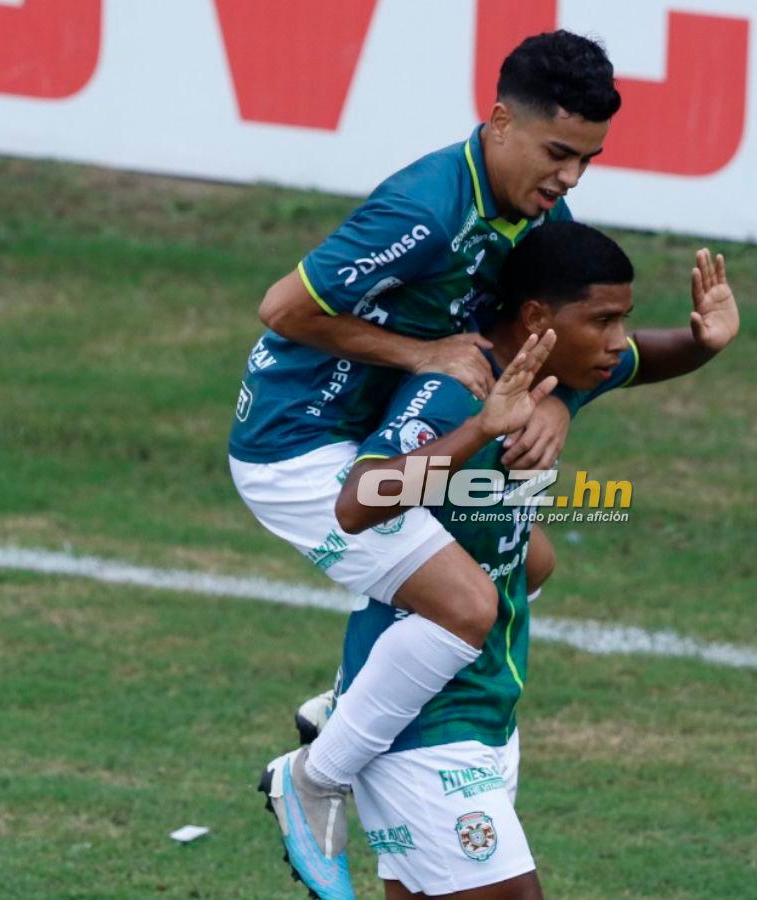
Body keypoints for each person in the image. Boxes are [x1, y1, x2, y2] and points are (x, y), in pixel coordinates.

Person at [231, 31, 621, 893]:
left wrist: (557, 399)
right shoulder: (426, 209)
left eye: (587, 159)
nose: (570, 179)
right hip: (299, 447)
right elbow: (281, 307)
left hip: (380, 432)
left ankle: (351, 705)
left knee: (529, 558)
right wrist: (422, 356)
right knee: (465, 602)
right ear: (499, 123)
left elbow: (557, 325)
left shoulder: (531, 211)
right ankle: (317, 777)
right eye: (558, 153)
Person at [262, 222, 741, 898]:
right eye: (602, 320)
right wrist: (481, 429)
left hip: (487, 708)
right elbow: (359, 501)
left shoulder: (561, 371)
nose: (616, 340)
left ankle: (340, 724)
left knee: (536, 560)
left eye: (623, 320)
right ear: (538, 316)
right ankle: (322, 762)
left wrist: (702, 342)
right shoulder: (459, 390)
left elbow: (644, 359)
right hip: (427, 722)